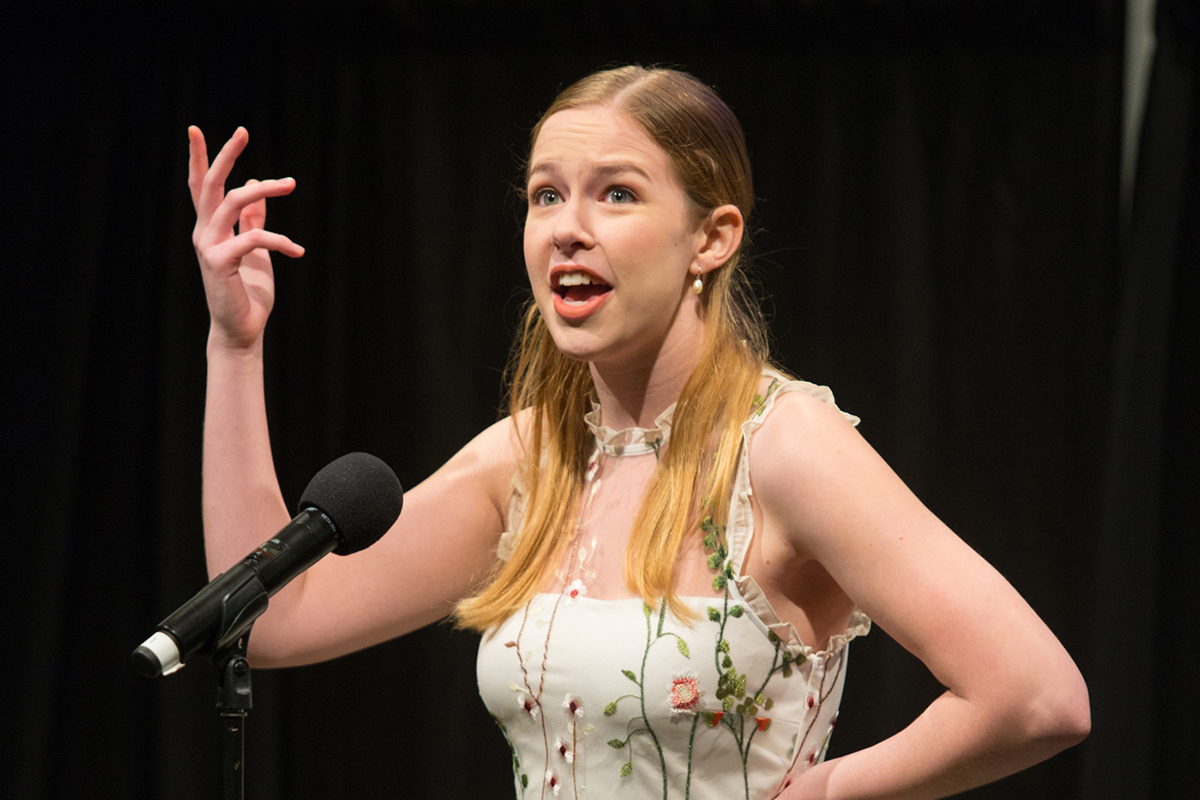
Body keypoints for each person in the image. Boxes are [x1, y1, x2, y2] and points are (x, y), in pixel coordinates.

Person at [189, 65, 1089, 799]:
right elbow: (267, 624)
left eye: (616, 195)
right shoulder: (530, 459)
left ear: (713, 236)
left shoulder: (782, 447)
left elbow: (1035, 696)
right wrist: (236, 344)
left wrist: (820, 796)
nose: (568, 231)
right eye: (546, 197)